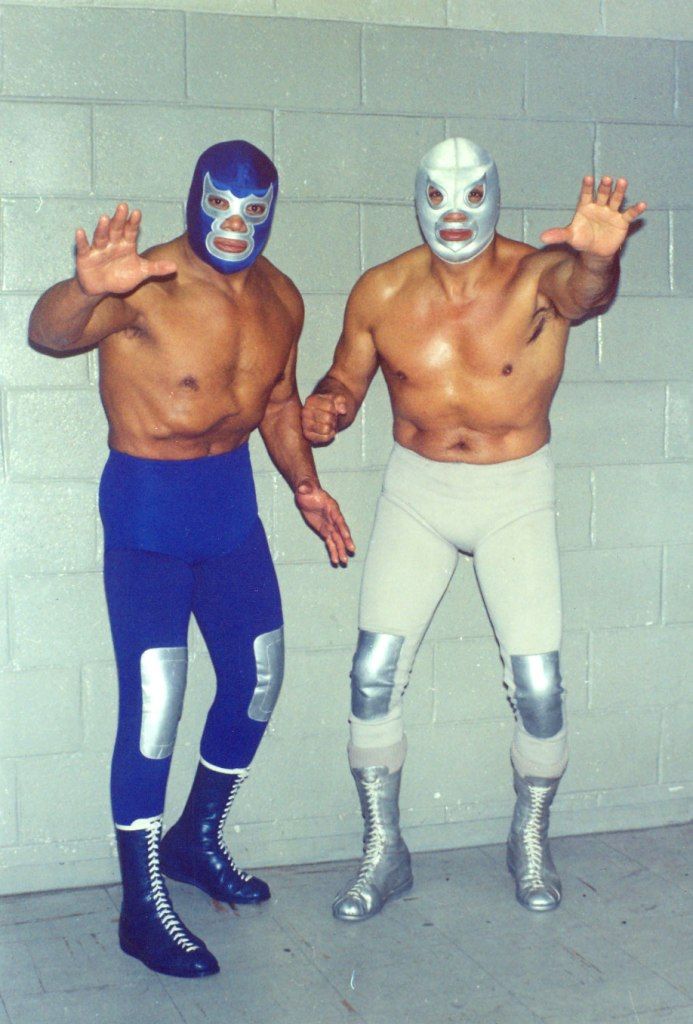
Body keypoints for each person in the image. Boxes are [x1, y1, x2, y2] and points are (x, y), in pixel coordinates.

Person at [29, 140, 354, 978]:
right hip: (148, 506)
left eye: (251, 208)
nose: (234, 222)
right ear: (194, 198)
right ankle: (141, 906)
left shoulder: (281, 296)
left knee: (260, 674)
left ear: (272, 209)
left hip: (230, 505)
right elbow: (48, 335)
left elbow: (278, 398)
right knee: (156, 705)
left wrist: (304, 487)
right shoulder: (146, 282)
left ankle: (192, 838)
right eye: (219, 204)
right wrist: (84, 288)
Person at [302, 137, 646, 921]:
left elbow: (584, 292)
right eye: (437, 198)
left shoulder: (537, 277)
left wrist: (599, 258)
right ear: (416, 195)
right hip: (416, 491)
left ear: (493, 193)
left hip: (512, 492)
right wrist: (328, 405)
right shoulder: (380, 290)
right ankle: (384, 851)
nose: (453, 216)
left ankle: (529, 836)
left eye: (470, 197)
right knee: (370, 673)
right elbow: (346, 377)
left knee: (537, 687)